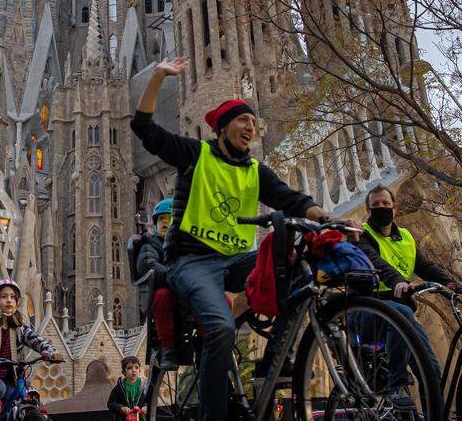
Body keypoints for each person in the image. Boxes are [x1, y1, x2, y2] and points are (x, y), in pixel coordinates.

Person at [131, 57, 336, 421]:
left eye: (254, 123)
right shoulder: (196, 154)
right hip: (192, 262)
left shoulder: (256, 170)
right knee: (221, 327)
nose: (250, 127)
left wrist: (322, 216)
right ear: (223, 127)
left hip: (237, 261)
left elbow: (292, 199)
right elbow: (144, 127)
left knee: (300, 274)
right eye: (243, 120)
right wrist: (160, 76)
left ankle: (275, 357)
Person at [356, 181, 461, 409]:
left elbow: (426, 267)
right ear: (368, 210)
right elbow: (376, 263)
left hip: (400, 313)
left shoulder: (406, 237)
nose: (381, 208)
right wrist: (397, 281)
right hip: (370, 311)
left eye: (386, 203)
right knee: (402, 312)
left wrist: (456, 287)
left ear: (395, 208)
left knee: (431, 370)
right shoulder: (361, 234)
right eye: (376, 205)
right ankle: (396, 385)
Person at [0, 278, 63, 421]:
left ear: (17, 302)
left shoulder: (20, 328)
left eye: (12, 297)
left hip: (8, 379)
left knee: (22, 399)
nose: (9, 300)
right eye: (4, 297)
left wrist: (51, 352)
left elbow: (37, 340)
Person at [133, 197, 179, 370]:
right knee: (162, 297)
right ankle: (168, 347)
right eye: (161, 219)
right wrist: (171, 276)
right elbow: (147, 262)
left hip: (190, 292)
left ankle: (215, 345)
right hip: (167, 289)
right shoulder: (151, 243)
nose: (165, 222)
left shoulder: (186, 244)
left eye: (169, 218)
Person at [107, 356, 149, 421]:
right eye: (130, 368)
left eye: (136, 367)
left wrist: (146, 407)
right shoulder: (118, 388)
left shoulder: (145, 387)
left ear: (139, 371)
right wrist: (121, 408)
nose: (134, 370)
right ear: (123, 372)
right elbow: (111, 403)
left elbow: (151, 401)